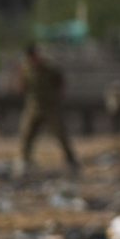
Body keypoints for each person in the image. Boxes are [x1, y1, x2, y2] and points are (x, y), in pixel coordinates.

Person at [17, 44, 78, 175]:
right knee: (26, 135)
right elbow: (22, 86)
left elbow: (61, 82)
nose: (33, 59)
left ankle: (72, 162)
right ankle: (25, 162)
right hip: (34, 107)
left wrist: (58, 96)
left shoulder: (50, 68)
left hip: (50, 107)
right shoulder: (26, 69)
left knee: (61, 135)